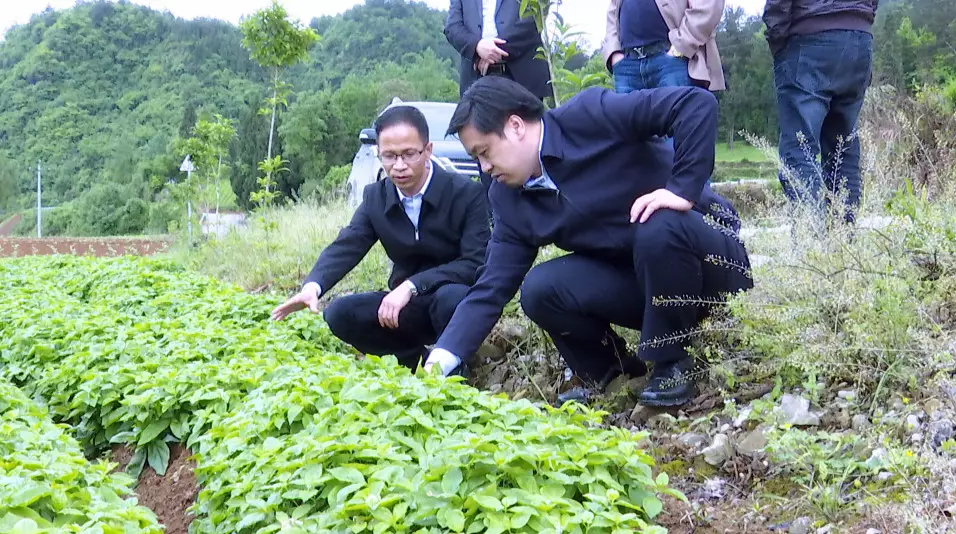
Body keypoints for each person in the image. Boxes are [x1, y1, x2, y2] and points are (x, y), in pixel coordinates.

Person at [422, 77, 753, 407]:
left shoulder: (590, 116)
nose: (484, 166)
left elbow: (694, 104)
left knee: (658, 222)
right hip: (646, 285)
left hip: (708, 264)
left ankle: (674, 362)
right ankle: (610, 371)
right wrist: (441, 360)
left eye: (484, 152)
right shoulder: (509, 198)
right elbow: (491, 286)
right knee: (540, 289)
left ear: (515, 126)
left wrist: (681, 189)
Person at [271, 106, 490, 375]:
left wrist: (412, 286)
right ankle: (414, 361)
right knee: (339, 313)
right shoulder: (376, 197)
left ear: (428, 150)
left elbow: (475, 263)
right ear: (379, 154)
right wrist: (313, 286)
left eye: (409, 154)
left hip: (453, 300)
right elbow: (349, 243)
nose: (399, 166)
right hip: (404, 308)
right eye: (389, 156)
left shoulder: (466, 194)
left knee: (452, 298)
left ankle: (454, 365)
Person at [763, 0, 878, 224]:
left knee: (799, 149)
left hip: (809, 37)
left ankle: (811, 246)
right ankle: (846, 245)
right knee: (843, 150)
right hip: (859, 37)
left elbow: (778, 5)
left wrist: (778, 39)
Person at [603, 0, 726, 94]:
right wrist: (614, 54)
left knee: (678, 126)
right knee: (627, 127)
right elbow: (613, 11)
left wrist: (681, 45)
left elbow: (708, 5)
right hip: (627, 67)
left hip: (673, 63)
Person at [443, 0, 552, 100]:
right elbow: (452, 28)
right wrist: (477, 46)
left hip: (522, 78)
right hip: (476, 79)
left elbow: (534, 21)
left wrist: (493, 50)